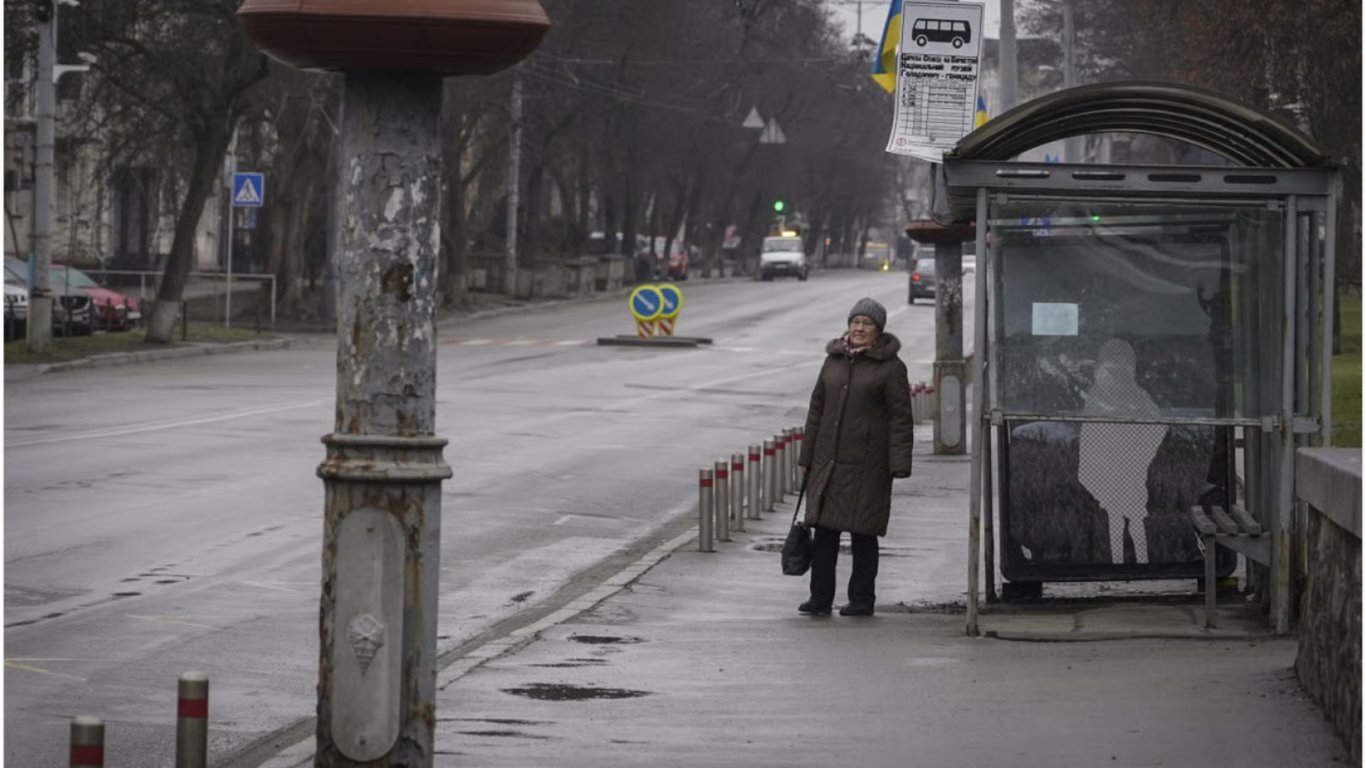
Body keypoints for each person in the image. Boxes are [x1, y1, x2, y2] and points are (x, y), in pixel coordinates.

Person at [796, 298, 915, 617]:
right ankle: (820, 598)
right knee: (824, 533)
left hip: (868, 465)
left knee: (863, 533)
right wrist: (808, 454)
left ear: (879, 330)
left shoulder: (891, 367)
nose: (859, 328)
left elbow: (901, 419)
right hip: (829, 462)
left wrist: (899, 463)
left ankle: (862, 599)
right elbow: (816, 409)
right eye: (855, 322)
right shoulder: (833, 361)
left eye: (867, 324)